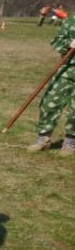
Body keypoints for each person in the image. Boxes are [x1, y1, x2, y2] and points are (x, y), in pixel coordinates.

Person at [26, 14, 75, 156]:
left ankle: (70, 142)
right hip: (67, 68)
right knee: (49, 103)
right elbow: (57, 41)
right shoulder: (71, 20)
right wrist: (69, 43)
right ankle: (43, 139)